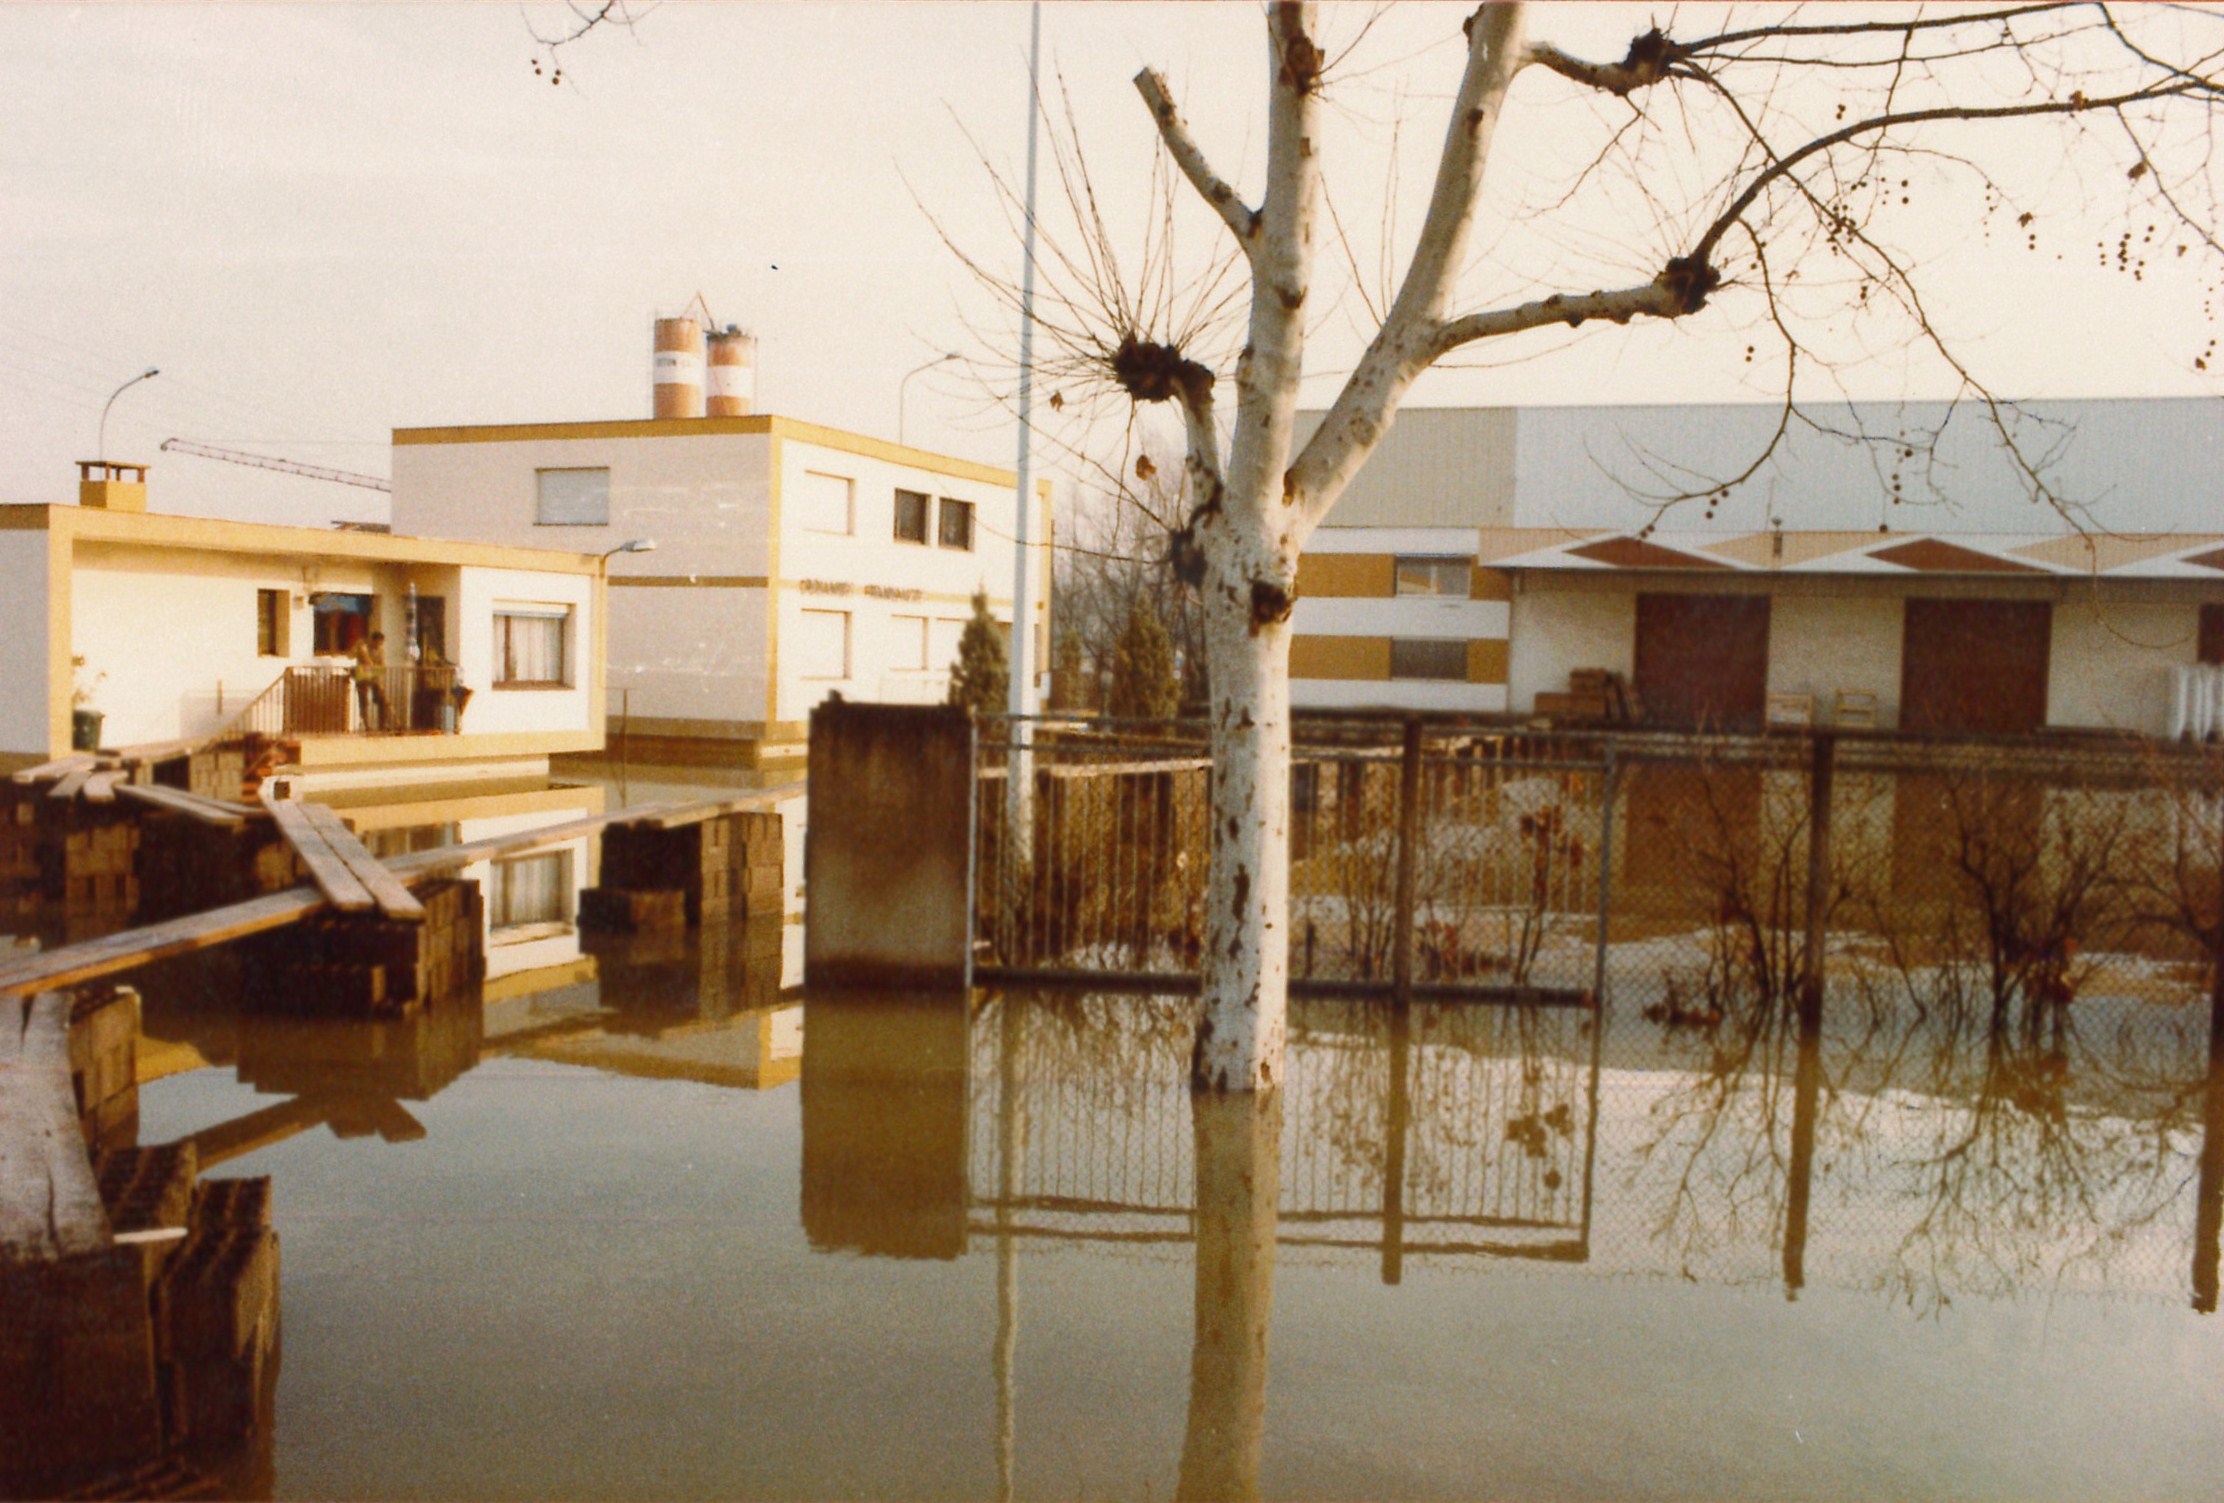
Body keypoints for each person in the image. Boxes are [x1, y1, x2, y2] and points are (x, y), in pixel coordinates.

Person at [350, 631, 388, 731]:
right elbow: (351, 656)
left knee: (383, 700)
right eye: (377, 643)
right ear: (372, 641)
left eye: (380, 644)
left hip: (374, 678)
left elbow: (381, 668)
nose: (378, 645)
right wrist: (358, 647)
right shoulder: (364, 648)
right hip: (362, 678)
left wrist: (373, 671)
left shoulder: (381, 651)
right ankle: (366, 725)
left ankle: (383, 725)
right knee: (364, 701)